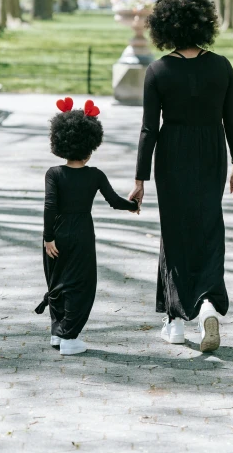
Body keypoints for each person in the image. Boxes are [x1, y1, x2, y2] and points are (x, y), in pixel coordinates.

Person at [129, 0, 233, 352]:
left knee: (175, 230)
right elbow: (232, 120)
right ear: (203, 23)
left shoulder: (158, 71)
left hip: (172, 152)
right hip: (213, 150)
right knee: (209, 226)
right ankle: (208, 302)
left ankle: (176, 321)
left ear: (165, 28)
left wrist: (140, 178)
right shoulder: (222, 67)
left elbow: (149, 129)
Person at [35, 97, 139, 356]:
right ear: (90, 145)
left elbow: (50, 206)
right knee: (80, 284)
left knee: (57, 282)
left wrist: (48, 237)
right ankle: (70, 337)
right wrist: (133, 205)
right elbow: (115, 201)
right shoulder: (95, 175)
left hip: (56, 232)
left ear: (59, 142)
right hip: (82, 232)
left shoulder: (53, 174)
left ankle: (57, 332)